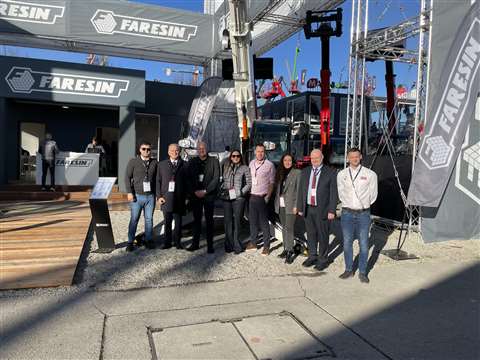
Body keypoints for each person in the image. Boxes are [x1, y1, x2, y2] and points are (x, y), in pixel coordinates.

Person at [337, 147, 378, 283]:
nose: (354, 159)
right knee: (347, 243)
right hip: (347, 213)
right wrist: (349, 204)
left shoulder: (370, 174)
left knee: (364, 244)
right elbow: (341, 193)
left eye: (356, 156)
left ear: (360, 157)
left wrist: (363, 205)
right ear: (347, 158)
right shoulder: (342, 174)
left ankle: (362, 272)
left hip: (363, 214)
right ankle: (349, 269)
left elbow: (373, 195)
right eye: (351, 156)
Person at [296, 149, 338, 270]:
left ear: (322, 157)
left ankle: (323, 259)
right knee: (311, 234)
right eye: (312, 158)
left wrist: (332, 210)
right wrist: (300, 207)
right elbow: (301, 191)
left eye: (317, 158)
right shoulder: (305, 172)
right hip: (308, 208)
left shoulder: (330, 172)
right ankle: (312, 256)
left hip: (323, 209)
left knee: (323, 234)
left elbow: (333, 193)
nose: (314, 160)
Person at [187, 142, 220, 253]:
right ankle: (195, 244)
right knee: (196, 220)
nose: (202, 150)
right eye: (199, 148)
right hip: (196, 195)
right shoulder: (192, 162)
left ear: (207, 149)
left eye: (203, 148)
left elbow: (216, 179)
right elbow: (189, 179)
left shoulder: (214, 161)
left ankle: (210, 245)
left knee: (209, 220)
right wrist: (194, 191)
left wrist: (206, 191)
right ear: (197, 150)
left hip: (208, 195)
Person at [124, 141, 158, 252]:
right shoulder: (133, 162)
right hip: (137, 196)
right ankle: (130, 242)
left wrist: (158, 195)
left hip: (150, 197)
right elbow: (127, 178)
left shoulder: (154, 163)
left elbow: (157, 180)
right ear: (140, 149)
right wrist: (129, 192)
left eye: (148, 149)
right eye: (144, 149)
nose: (146, 151)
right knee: (134, 219)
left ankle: (148, 240)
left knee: (149, 220)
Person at [246, 143, 275, 256]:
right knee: (252, 222)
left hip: (262, 198)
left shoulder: (270, 165)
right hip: (252, 197)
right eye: (258, 151)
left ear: (265, 152)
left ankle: (266, 246)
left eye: (262, 151)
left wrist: (267, 197)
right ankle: (253, 242)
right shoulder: (251, 163)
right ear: (255, 152)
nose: (260, 153)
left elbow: (272, 183)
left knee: (264, 223)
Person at [220, 149, 251, 254]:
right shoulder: (226, 166)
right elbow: (222, 180)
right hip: (227, 197)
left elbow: (249, 183)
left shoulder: (245, 168)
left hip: (239, 198)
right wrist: (222, 188)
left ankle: (237, 245)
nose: (235, 158)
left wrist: (241, 193)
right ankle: (228, 245)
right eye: (233, 156)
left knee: (237, 221)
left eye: (237, 156)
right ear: (230, 157)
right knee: (227, 221)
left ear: (240, 157)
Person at [156, 144, 187, 250]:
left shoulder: (185, 164)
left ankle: (177, 242)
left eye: (177, 150)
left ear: (179, 152)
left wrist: (187, 197)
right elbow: (158, 182)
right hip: (166, 198)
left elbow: (188, 183)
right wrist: (159, 196)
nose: (175, 152)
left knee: (178, 222)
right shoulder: (161, 165)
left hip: (179, 198)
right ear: (168, 152)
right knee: (167, 222)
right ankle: (167, 242)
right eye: (172, 150)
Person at [274, 153, 301, 264]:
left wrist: (297, 206)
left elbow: (299, 191)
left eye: (289, 160)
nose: (287, 162)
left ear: (292, 161)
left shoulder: (297, 173)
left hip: (291, 206)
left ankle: (290, 251)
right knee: (284, 227)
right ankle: (286, 248)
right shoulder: (280, 172)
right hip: (280, 205)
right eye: (285, 160)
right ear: (282, 161)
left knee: (289, 228)